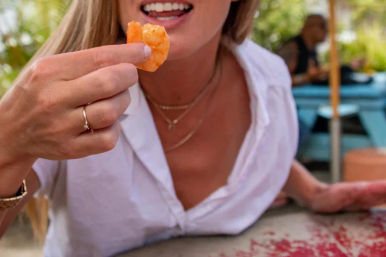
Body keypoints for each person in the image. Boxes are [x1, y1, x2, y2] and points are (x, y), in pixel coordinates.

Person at [0, 1, 385, 256]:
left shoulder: (269, 79)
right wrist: (8, 143)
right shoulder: (64, 93)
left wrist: (312, 191)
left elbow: (265, 148)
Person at [278, 14, 329, 86]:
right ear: (309, 27)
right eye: (322, 26)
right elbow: (281, 80)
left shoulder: (312, 48)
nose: (327, 31)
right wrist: (306, 77)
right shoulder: (292, 48)